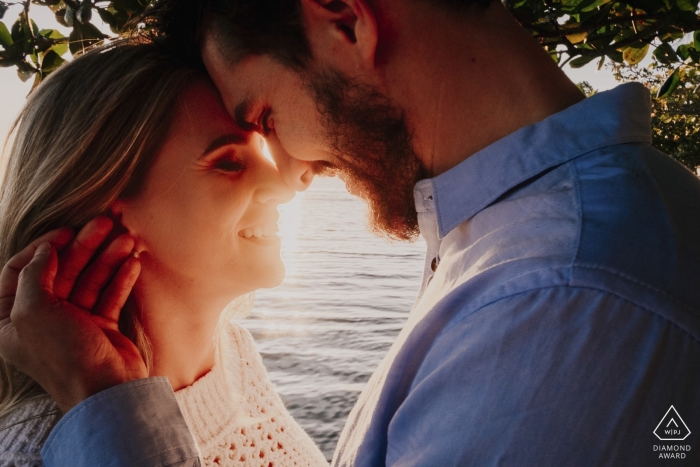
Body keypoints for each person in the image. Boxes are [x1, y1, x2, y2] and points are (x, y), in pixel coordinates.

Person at [2, 0, 700, 465]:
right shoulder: (517, 257)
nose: (297, 170)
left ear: (345, 20)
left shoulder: (563, 298)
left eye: (267, 117)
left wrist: (106, 415)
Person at [0, 41, 329, 467]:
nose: (285, 186)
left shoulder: (234, 357)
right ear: (108, 208)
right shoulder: (34, 455)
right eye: (228, 163)